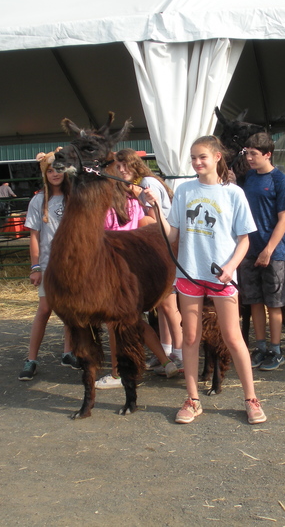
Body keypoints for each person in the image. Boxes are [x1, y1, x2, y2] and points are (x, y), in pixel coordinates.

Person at [143, 135, 266, 424]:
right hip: (189, 274)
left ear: (217, 158)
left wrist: (230, 266)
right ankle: (192, 399)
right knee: (191, 337)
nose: (197, 162)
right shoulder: (185, 191)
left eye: (202, 157)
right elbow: (172, 234)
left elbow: (244, 240)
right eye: (193, 158)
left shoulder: (233, 193)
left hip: (222, 277)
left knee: (233, 337)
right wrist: (156, 209)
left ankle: (251, 398)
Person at [94, 161, 179, 389]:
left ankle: (116, 373)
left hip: (113, 266)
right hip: (139, 263)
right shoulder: (133, 202)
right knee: (139, 316)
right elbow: (148, 224)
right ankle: (167, 360)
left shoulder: (103, 207)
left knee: (115, 322)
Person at [112, 148, 184, 376]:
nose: (122, 170)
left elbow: (152, 221)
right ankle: (167, 350)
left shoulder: (146, 185)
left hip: (162, 247)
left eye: (125, 166)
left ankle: (180, 353)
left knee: (169, 305)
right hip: (159, 246)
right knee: (162, 306)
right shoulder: (142, 184)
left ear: (135, 165)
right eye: (118, 167)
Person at [19, 149, 81, 381]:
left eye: (59, 170)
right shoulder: (38, 201)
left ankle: (68, 352)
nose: (55, 174)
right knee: (45, 310)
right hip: (48, 264)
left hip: (72, 264)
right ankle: (31, 358)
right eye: (51, 170)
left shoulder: (74, 197)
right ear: (45, 173)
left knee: (70, 311)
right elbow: (34, 236)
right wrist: (35, 267)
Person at [240, 133, 285, 371]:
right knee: (254, 301)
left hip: (272, 252)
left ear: (267, 154)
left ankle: (276, 349)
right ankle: (260, 348)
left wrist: (269, 249)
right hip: (248, 250)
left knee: (274, 303)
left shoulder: (281, 181)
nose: (249, 158)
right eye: (247, 152)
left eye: (253, 153)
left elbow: (284, 219)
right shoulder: (247, 178)